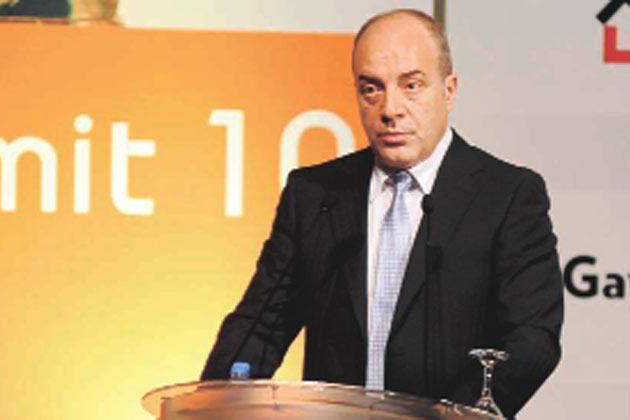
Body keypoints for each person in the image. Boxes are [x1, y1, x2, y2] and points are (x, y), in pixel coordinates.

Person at [201, 9, 563, 418]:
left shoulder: (506, 196)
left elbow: (532, 341)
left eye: (412, 86)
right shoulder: (316, 196)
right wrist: (211, 406)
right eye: (371, 89)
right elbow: (259, 326)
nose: (390, 108)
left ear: (449, 90)